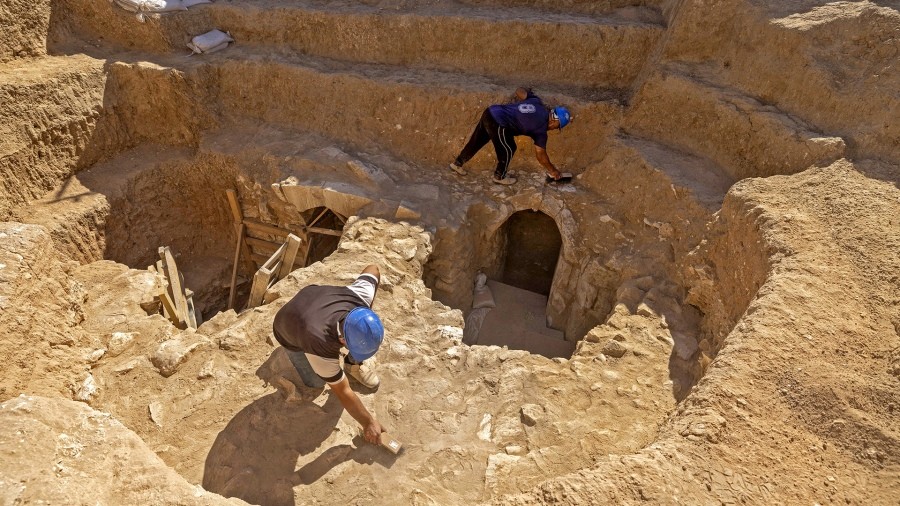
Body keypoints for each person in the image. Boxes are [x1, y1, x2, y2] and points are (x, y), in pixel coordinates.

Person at [272, 264, 385, 444]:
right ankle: (291, 350)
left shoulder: (360, 297)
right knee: (316, 382)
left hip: (312, 300)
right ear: (343, 341)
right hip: (287, 328)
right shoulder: (318, 342)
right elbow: (342, 390)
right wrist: (368, 422)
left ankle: (352, 364)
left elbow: (373, 269)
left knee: (359, 343)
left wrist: (366, 312)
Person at [449, 87, 572, 185]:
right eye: (557, 127)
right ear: (554, 121)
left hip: (490, 112)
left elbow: (519, 91)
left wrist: (527, 91)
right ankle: (499, 176)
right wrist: (553, 171)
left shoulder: (536, 102)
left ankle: (457, 164)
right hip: (499, 123)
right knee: (509, 148)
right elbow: (540, 155)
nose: (554, 129)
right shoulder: (541, 130)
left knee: (478, 140)